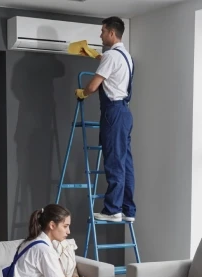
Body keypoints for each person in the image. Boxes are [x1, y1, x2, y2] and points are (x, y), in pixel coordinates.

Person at [75, 16, 136, 223]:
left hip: (113, 112)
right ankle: (128, 210)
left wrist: (82, 92)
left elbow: (93, 86)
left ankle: (112, 210)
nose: (100, 35)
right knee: (125, 162)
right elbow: (110, 64)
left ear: (111, 33)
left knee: (114, 161)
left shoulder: (111, 56)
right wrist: (94, 55)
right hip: (124, 112)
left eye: (102, 31)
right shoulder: (125, 56)